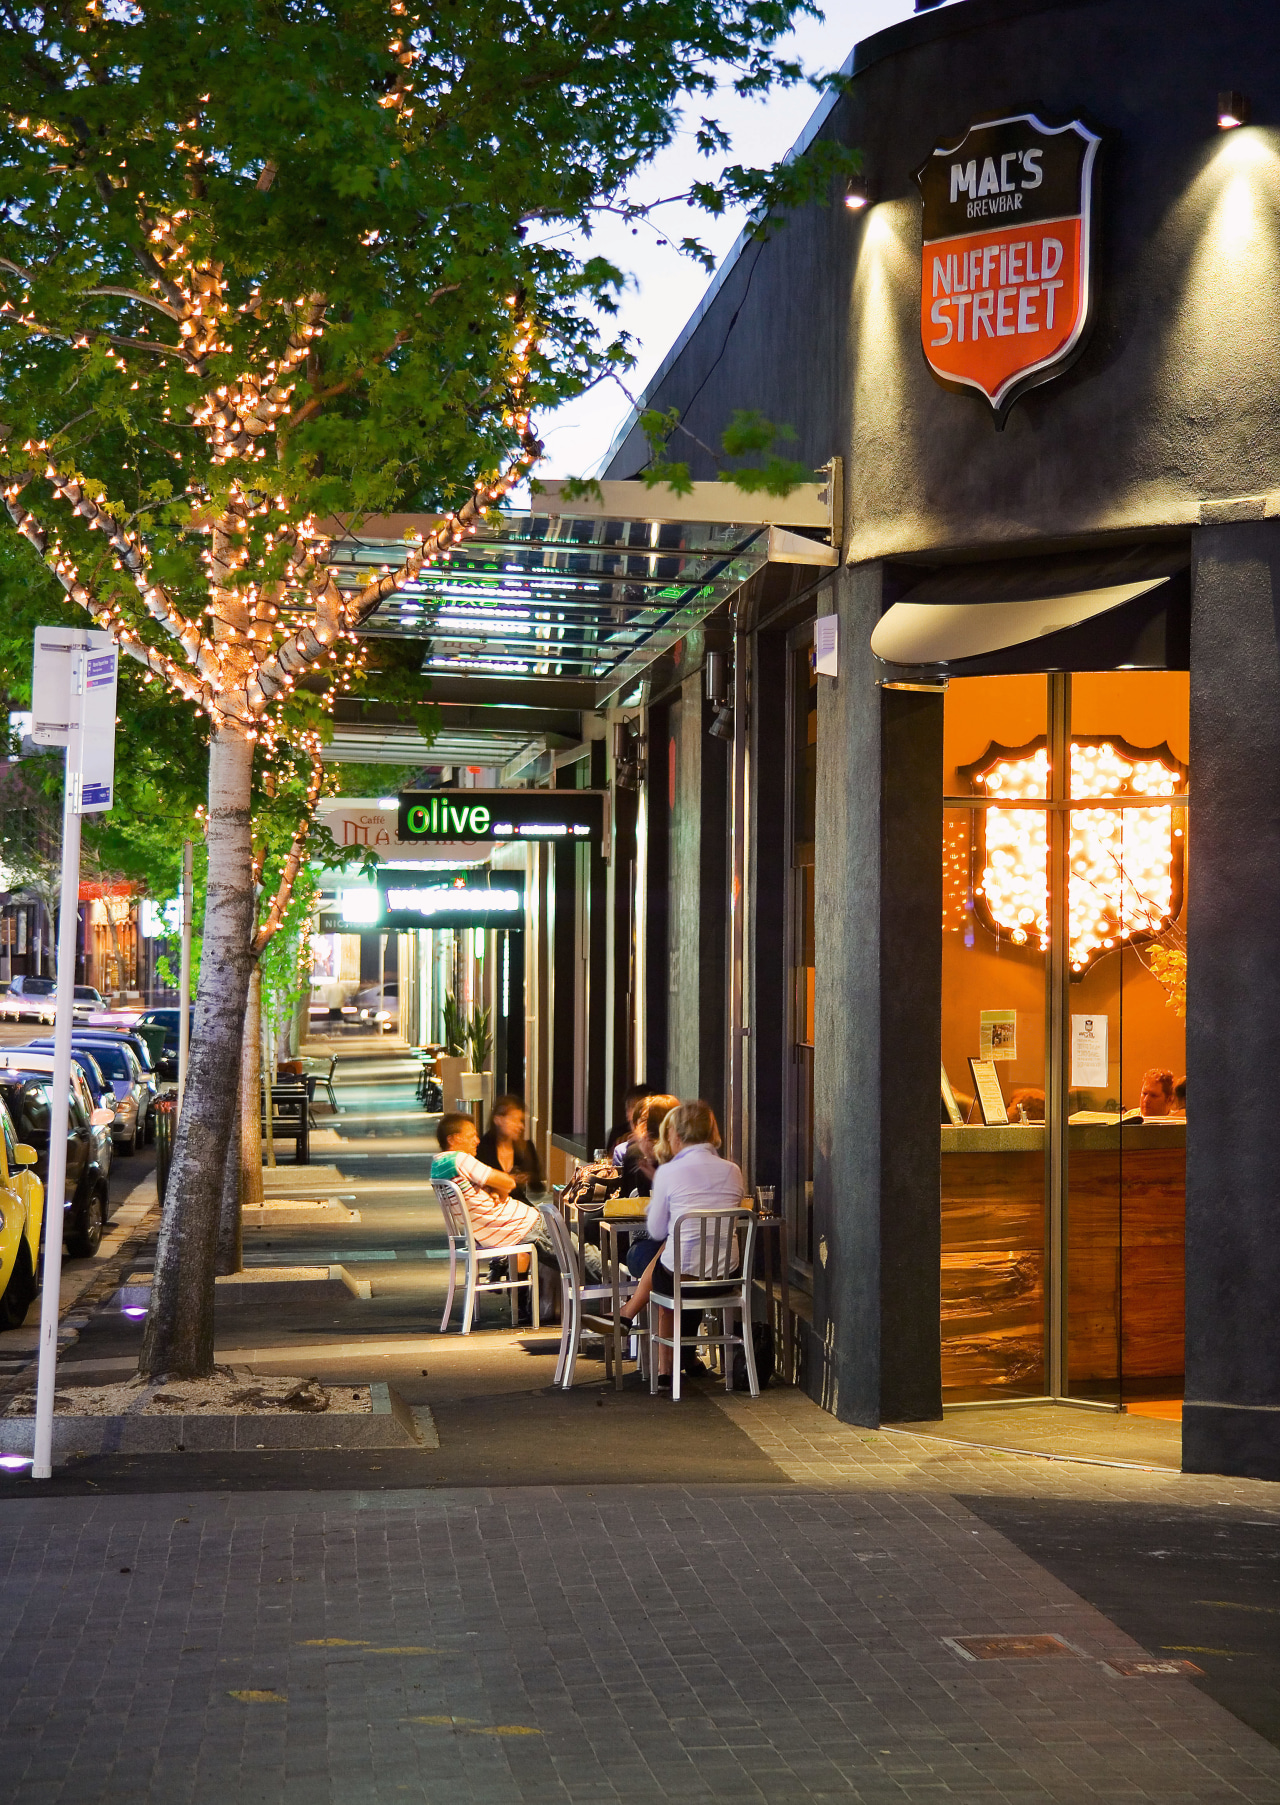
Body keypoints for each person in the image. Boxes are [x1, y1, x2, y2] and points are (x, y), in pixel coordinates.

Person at [621, 1100, 745, 1384]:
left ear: (676, 1135)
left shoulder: (669, 1172)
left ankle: (664, 1368)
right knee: (675, 1254)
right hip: (726, 1278)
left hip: (679, 1278)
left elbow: (655, 1229)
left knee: (670, 1259)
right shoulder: (733, 1170)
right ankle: (675, 1359)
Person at [432, 1114, 601, 1307]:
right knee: (584, 1256)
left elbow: (478, 1192)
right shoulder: (460, 1159)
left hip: (496, 1231)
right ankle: (627, 1288)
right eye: (471, 1135)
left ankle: (528, 1306)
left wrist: (492, 1191)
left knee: (575, 1253)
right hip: (522, 1226)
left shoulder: (439, 1165)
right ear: (453, 1139)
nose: (477, 1140)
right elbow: (507, 1182)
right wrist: (499, 1187)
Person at [476, 1094, 543, 1202]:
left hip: (516, 1204)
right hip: (490, 1204)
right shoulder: (482, 1148)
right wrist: (509, 1179)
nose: (521, 1126)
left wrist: (528, 1176)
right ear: (498, 1120)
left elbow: (538, 1188)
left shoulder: (525, 1147)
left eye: (521, 1121)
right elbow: (478, 1182)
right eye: (515, 1120)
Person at [619, 1092, 679, 1198]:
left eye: (650, 1121)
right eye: (643, 1121)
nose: (645, 1128)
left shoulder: (680, 1154)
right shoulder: (636, 1150)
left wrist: (651, 1161)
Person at [607, 1081, 652, 1163]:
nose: (629, 1113)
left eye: (634, 1107)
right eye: (628, 1108)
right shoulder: (618, 1133)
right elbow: (609, 1162)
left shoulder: (656, 1136)